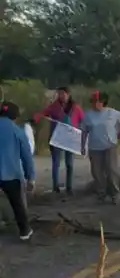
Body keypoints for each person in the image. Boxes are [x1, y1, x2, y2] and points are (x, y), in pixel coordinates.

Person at [80, 91, 120, 203]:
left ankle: (115, 194)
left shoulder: (112, 113)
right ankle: (101, 194)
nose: (94, 103)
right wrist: (82, 146)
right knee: (97, 172)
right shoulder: (88, 115)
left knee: (112, 171)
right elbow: (84, 131)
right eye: (93, 101)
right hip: (94, 148)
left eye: (97, 101)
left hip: (109, 146)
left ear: (103, 102)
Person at [35, 86, 84, 195]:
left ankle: (69, 187)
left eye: (63, 94)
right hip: (57, 139)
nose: (61, 96)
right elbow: (43, 113)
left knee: (69, 164)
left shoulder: (76, 108)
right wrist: (37, 118)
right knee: (56, 163)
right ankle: (55, 186)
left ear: (68, 94)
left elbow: (83, 121)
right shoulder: (54, 106)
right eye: (59, 94)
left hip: (70, 140)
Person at [0, 101, 35, 240]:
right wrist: (30, 177)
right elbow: (26, 157)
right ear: (15, 116)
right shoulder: (17, 131)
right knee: (18, 204)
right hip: (11, 174)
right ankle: (24, 232)